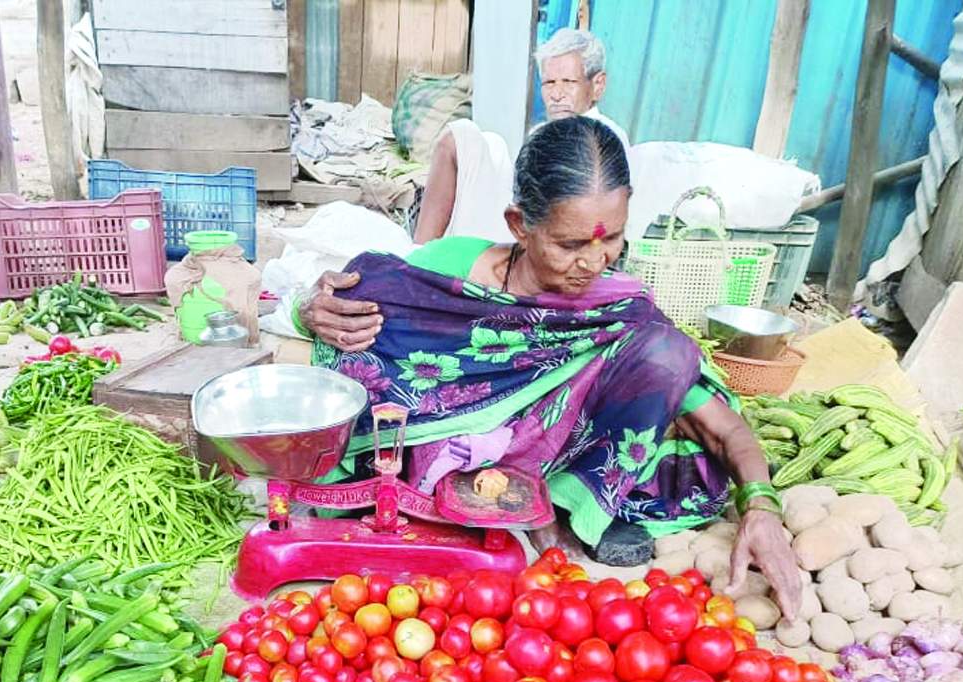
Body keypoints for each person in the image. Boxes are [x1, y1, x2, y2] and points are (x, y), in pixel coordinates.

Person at [294, 116, 800, 618]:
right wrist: (310, 308)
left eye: (612, 239)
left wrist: (761, 506)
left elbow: (724, 429)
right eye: (570, 244)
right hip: (444, 449)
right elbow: (347, 301)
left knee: (667, 351)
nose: (594, 262)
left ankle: (562, 502)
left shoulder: (621, 313)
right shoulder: (446, 272)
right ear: (520, 224)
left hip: (558, 452)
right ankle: (444, 487)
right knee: (370, 309)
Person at [413, 28, 632, 246]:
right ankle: (418, 256)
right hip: (519, 223)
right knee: (468, 139)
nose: (556, 94)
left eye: (568, 82)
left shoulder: (604, 138)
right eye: (549, 83)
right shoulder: (540, 133)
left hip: (544, 238)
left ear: (598, 85)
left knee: (465, 137)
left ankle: (418, 261)